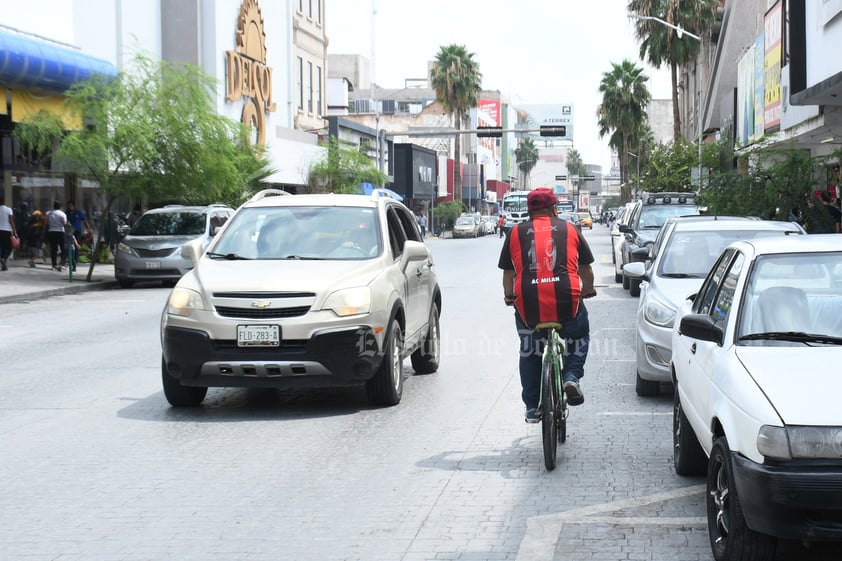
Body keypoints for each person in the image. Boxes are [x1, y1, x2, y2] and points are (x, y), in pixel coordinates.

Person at [498, 187, 596, 423]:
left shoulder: (514, 232)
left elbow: (508, 274)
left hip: (528, 303)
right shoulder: (569, 229)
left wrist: (509, 296)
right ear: (554, 208)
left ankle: (532, 407)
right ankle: (571, 376)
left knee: (530, 350)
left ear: (529, 211)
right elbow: (586, 270)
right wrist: (587, 290)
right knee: (579, 336)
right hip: (567, 299)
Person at [45, 201, 68, 271]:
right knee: (63, 248)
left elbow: (47, 223)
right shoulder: (62, 214)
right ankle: (62, 263)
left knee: (53, 249)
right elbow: (65, 223)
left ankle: (53, 265)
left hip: (51, 231)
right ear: (60, 207)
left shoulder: (49, 213)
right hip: (60, 232)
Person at [0, 196, 18, 271]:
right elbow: (11, 221)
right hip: (6, 231)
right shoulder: (8, 209)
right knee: (9, 247)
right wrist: (15, 231)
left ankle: (2, 259)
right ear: (4, 201)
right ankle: (4, 258)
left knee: (1, 247)